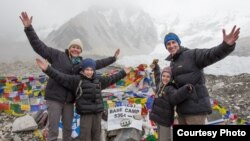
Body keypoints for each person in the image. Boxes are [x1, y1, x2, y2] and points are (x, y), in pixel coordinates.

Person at [20, 11, 120, 141]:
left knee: (68, 129)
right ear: (69, 48)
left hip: (69, 101)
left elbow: (97, 64)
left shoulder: (82, 65)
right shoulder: (57, 55)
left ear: (81, 51)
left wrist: (113, 58)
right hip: (54, 97)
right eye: (73, 46)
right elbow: (39, 46)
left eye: (78, 48)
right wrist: (29, 28)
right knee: (53, 129)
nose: (75, 49)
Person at [36, 58, 131, 141]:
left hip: (98, 113)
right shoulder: (76, 80)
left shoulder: (99, 80)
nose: (89, 72)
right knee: (85, 136)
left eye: (91, 69)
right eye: (87, 69)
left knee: (96, 135)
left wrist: (123, 73)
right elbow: (61, 77)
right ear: (83, 70)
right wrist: (48, 69)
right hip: (86, 114)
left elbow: (112, 78)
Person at [163, 25, 240, 124]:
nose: (171, 45)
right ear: (166, 47)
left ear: (178, 43)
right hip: (182, 111)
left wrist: (226, 46)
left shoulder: (192, 54)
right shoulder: (173, 63)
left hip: (196, 111)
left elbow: (210, 54)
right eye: (168, 44)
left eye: (174, 42)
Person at [149, 59, 194, 141]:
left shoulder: (171, 89)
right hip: (158, 119)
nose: (165, 78)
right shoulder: (160, 84)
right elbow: (157, 75)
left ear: (171, 78)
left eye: (168, 77)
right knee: (160, 138)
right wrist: (156, 67)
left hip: (165, 121)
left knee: (164, 139)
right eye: (164, 76)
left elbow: (176, 96)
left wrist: (185, 89)